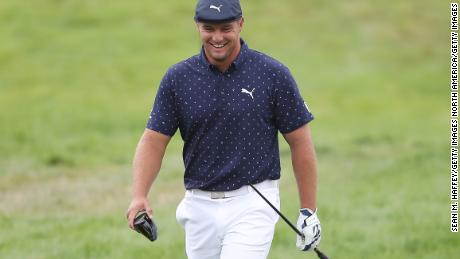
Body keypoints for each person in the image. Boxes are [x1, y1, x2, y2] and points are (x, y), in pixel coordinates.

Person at [126, 0, 322, 258]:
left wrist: (308, 210)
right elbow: (153, 141)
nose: (217, 37)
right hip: (198, 205)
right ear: (197, 26)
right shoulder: (178, 78)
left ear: (240, 24)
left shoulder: (272, 74)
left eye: (225, 28)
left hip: (253, 202)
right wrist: (139, 195)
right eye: (209, 28)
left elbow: (300, 142)